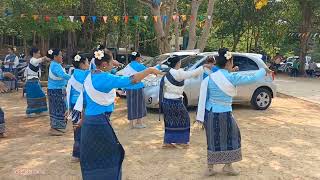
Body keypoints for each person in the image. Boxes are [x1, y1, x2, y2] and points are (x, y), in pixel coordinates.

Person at [77, 50, 162, 180]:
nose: (114, 63)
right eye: (111, 61)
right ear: (104, 64)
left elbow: (84, 102)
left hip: (88, 123)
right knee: (112, 155)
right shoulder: (105, 78)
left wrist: (82, 120)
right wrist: (149, 70)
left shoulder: (88, 75)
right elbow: (130, 80)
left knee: (92, 157)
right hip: (99, 123)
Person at [196, 48, 270, 176]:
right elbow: (251, 78)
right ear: (228, 62)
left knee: (213, 139)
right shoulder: (232, 77)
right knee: (232, 137)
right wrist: (264, 70)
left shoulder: (210, 77)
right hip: (225, 113)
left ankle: (210, 167)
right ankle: (228, 166)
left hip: (211, 112)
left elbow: (205, 96)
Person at [159, 56, 212, 148]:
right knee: (185, 119)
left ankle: (167, 142)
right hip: (175, 100)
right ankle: (182, 141)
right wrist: (203, 67)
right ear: (178, 63)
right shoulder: (178, 73)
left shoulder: (168, 72)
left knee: (170, 121)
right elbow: (192, 74)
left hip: (166, 100)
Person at [66, 53, 90, 162]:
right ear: (82, 64)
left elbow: (68, 92)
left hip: (74, 106)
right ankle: (85, 154)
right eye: (87, 62)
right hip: (84, 106)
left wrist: (68, 108)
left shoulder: (72, 75)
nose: (89, 64)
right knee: (87, 131)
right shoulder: (88, 75)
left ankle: (76, 155)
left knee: (77, 130)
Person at [47, 49, 71, 136]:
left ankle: (57, 127)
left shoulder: (56, 65)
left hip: (56, 90)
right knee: (58, 108)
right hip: (55, 91)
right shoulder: (55, 66)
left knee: (58, 108)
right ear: (55, 57)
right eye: (60, 55)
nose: (62, 57)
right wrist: (73, 78)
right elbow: (63, 75)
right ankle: (55, 128)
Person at [122, 52, 148, 129]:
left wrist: (123, 89)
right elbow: (149, 70)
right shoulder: (139, 66)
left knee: (131, 105)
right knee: (139, 105)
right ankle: (139, 122)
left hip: (129, 88)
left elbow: (124, 78)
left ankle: (131, 124)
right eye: (140, 58)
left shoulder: (127, 66)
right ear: (137, 58)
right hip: (138, 88)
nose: (141, 59)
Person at [24, 48, 49, 118]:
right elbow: (37, 61)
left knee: (39, 95)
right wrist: (44, 58)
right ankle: (30, 112)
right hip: (31, 81)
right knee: (34, 96)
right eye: (38, 53)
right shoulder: (32, 60)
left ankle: (39, 110)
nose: (39, 54)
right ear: (34, 53)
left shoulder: (35, 61)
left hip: (35, 81)